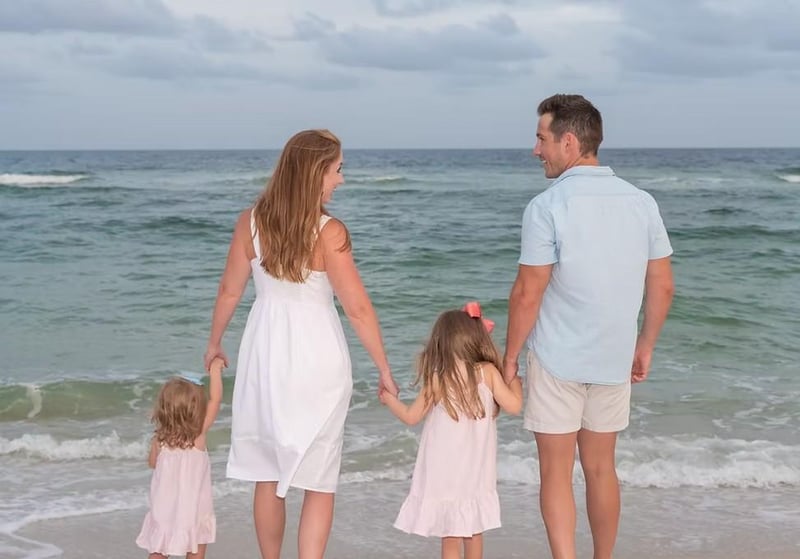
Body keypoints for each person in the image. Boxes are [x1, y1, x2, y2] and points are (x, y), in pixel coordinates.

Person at [203, 129, 399, 559]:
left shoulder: (249, 222)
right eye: (337, 169)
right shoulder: (330, 232)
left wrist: (215, 342)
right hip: (318, 360)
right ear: (315, 173)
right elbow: (359, 309)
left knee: (268, 473)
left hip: (266, 357)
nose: (341, 180)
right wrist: (384, 369)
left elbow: (229, 292)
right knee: (319, 479)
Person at [503, 94, 675, 559]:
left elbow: (527, 292)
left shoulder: (547, 205)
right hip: (613, 357)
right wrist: (645, 346)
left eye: (542, 139)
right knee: (602, 470)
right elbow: (662, 287)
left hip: (558, 359)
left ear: (570, 141)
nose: (536, 150)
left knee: (555, 475)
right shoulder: (641, 203)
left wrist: (510, 357)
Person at [380, 302, 523, 559]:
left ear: (441, 344)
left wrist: (389, 399)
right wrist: (514, 380)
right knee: (474, 529)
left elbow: (411, 417)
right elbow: (514, 406)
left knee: (451, 536)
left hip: (445, 472)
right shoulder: (488, 373)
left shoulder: (438, 377)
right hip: (477, 472)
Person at [136, 357, 225, 559]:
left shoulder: (160, 440)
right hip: (193, 507)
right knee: (195, 544)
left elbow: (152, 464)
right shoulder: (198, 435)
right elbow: (216, 399)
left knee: (158, 547)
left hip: (164, 506)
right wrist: (215, 370)